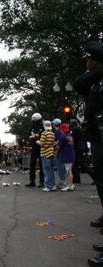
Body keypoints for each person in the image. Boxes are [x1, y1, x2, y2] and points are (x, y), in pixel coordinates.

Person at [72, 42, 103, 267]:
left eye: (89, 59)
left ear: (96, 60)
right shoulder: (96, 81)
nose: (86, 63)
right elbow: (78, 84)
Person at [69, 119, 95, 183]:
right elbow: (84, 139)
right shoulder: (81, 130)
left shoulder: (73, 130)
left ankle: (94, 176)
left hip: (77, 148)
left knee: (81, 163)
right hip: (81, 147)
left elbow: (72, 139)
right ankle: (76, 178)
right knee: (75, 164)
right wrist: (86, 150)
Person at [25, 113, 45, 187]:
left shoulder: (42, 128)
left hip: (40, 147)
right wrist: (30, 140)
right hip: (34, 147)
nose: (35, 123)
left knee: (41, 164)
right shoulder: (33, 128)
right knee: (32, 163)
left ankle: (41, 180)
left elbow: (41, 137)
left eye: (36, 121)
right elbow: (29, 136)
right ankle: (32, 180)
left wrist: (36, 138)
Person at [55, 124, 76, 191]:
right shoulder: (70, 136)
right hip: (71, 154)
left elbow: (59, 146)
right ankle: (71, 184)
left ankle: (70, 185)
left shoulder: (62, 136)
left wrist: (55, 149)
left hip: (66, 155)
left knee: (68, 171)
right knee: (70, 170)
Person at [36, 121, 56, 191]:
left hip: (45, 153)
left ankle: (49, 185)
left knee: (46, 170)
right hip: (51, 152)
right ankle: (53, 184)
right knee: (51, 169)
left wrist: (37, 141)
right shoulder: (52, 133)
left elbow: (42, 143)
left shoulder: (44, 133)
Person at [52, 118, 67, 189]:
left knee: (60, 167)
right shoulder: (61, 131)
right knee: (61, 167)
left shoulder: (58, 131)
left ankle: (63, 182)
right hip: (63, 151)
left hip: (59, 151)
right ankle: (63, 181)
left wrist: (56, 149)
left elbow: (58, 141)